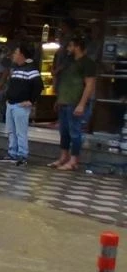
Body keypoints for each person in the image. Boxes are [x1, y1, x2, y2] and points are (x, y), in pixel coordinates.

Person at [47, 36, 96, 171]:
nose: (68, 49)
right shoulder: (69, 62)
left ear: (77, 47)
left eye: (70, 46)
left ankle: (74, 160)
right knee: (64, 132)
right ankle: (64, 156)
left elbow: (90, 85)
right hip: (64, 101)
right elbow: (62, 80)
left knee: (75, 132)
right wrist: (59, 99)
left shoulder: (87, 63)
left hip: (75, 102)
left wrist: (82, 104)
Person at [2, 43, 44, 165]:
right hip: (11, 104)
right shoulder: (16, 68)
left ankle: (22, 155)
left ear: (21, 55)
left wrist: (31, 100)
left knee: (20, 131)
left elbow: (39, 86)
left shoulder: (31, 69)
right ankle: (12, 153)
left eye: (15, 53)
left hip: (21, 105)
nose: (13, 55)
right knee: (11, 131)